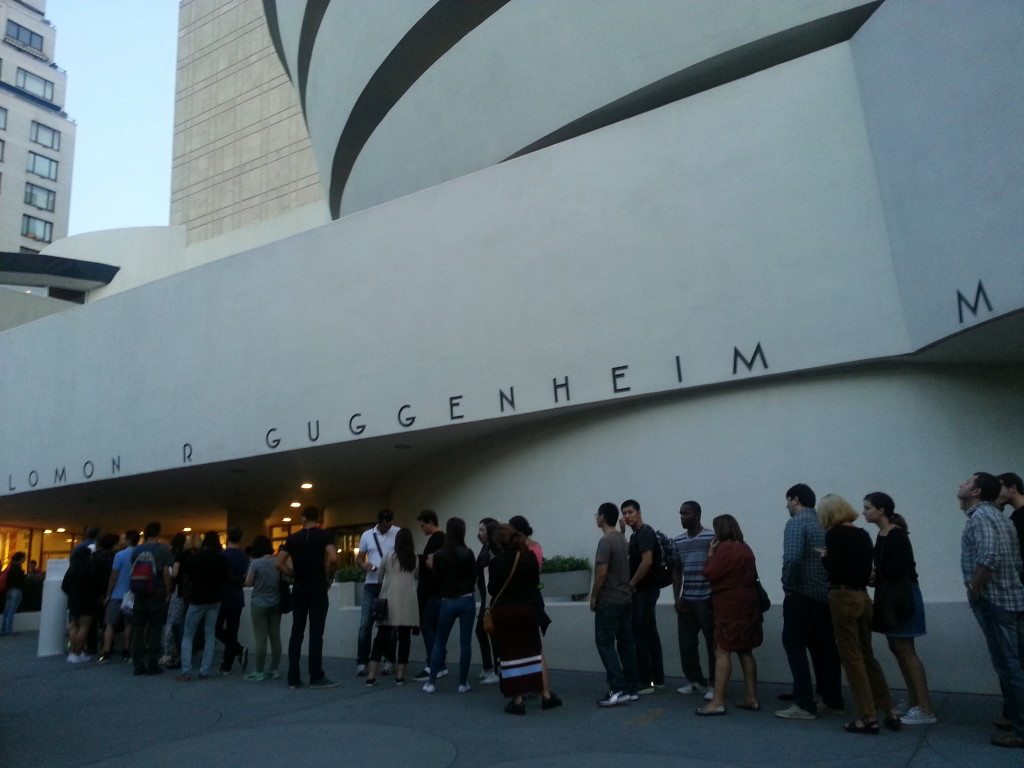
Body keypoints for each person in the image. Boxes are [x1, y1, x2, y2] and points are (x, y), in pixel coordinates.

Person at [818, 494, 898, 734]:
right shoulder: (863, 534)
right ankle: (889, 711)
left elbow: (837, 570)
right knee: (867, 655)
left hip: (843, 597)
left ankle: (867, 716)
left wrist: (824, 557)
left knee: (851, 659)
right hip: (864, 597)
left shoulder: (833, 535)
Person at [958, 471, 1024, 749]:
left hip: (995, 601)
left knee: (1008, 666)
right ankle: (1016, 719)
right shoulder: (1000, 518)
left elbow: (988, 557)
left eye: (966, 481)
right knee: (1015, 664)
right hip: (1013, 599)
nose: (961, 484)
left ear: (975, 492)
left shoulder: (982, 517)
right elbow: (1017, 562)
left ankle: (1021, 730)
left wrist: (974, 588)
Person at [862, 492, 936, 725]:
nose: (864, 512)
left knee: (905, 650)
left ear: (881, 510)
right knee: (897, 648)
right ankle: (915, 700)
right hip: (890, 597)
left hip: (901, 599)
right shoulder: (885, 534)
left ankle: (924, 707)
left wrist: (876, 575)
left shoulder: (896, 535)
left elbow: (901, 568)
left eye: (868, 507)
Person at [775, 483, 844, 720]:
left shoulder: (797, 523)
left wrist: (788, 585)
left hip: (802, 596)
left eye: (787, 501)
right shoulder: (824, 524)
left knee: (794, 645)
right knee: (825, 650)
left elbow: (792, 559)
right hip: (824, 596)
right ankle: (832, 700)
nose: (786, 506)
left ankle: (804, 704)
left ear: (795, 499)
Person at [488, 524, 561, 714]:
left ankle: (518, 700)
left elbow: (492, 589)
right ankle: (546, 695)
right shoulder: (528, 557)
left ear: (499, 543)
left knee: (510, 655)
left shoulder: (496, 562)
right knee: (535, 653)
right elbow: (536, 584)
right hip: (527, 610)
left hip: (505, 612)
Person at [697, 514, 762, 716]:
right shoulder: (745, 548)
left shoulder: (723, 549)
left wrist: (709, 554)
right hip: (749, 603)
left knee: (723, 650)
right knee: (745, 650)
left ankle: (717, 701)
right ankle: (751, 697)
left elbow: (710, 573)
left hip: (729, 603)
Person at [277, 505, 339, 688]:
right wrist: (330, 576)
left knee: (297, 633)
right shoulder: (324, 535)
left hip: (299, 590)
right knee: (316, 634)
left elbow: (279, 562)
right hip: (318, 589)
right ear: (317, 518)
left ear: (303, 518)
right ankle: (316, 675)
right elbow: (334, 558)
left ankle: (293, 677)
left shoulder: (293, 538)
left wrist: (293, 574)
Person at [590, 502, 638, 707]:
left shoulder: (605, 541)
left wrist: (593, 597)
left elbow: (601, 572)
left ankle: (618, 687)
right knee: (626, 643)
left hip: (609, 600)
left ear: (602, 517)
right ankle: (631, 688)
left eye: (597, 514)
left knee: (605, 642)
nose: (596, 518)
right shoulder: (621, 538)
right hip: (625, 599)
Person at [423, 517, 477, 694]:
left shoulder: (439, 555)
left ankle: (431, 682)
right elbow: (473, 577)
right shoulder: (468, 553)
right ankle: (462, 683)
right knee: (465, 643)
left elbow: (436, 579)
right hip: (466, 599)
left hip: (447, 600)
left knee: (439, 641)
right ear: (462, 532)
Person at [620, 499, 665, 693]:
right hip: (646, 590)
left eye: (630, 512)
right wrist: (622, 533)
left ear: (639, 512)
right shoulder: (636, 535)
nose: (627, 516)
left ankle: (647, 682)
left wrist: (631, 584)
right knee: (649, 633)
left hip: (645, 591)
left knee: (641, 634)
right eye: (625, 513)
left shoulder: (645, 532)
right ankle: (658, 680)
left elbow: (647, 562)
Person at [672, 500, 716, 697]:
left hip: (707, 599)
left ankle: (715, 685)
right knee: (686, 643)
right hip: (687, 599)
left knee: (712, 643)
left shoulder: (711, 537)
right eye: (680, 513)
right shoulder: (678, 541)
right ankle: (695, 680)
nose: (682, 517)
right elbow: (676, 570)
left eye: (686, 513)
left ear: (697, 515)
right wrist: (677, 597)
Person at [366, 527, 419, 686]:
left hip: (389, 602)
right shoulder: (414, 558)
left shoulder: (388, 557)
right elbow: (416, 575)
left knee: (380, 638)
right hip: (407, 603)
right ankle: (400, 676)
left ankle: (371, 675)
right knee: (404, 639)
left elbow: (380, 576)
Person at [177, 531, 228, 681]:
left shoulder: (193, 559)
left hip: (197, 600)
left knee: (188, 635)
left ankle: (186, 671)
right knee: (210, 634)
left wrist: (187, 598)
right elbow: (226, 579)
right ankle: (204, 670)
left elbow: (185, 581)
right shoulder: (221, 560)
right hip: (214, 601)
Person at [355, 509, 399, 676]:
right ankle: (362, 661)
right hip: (371, 583)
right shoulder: (367, 535)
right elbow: (360, 557)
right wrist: (364, 565)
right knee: (365, 624)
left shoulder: (398, 532)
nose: (387, 528)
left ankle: (389, 659)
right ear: (379, 522)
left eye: (389, 525)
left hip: (390, 583)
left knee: (390, 624)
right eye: (385, 525)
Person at [130, 521, 174, 676]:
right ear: (159, 533)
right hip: (157, 593)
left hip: (139, 593)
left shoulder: (137, 550)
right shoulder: (164, 549)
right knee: (155, 629)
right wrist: (168, 591)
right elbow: (166, 573)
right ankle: (152, 664)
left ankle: (137, 664)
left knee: (139, 629)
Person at [413, 509, 447, 681]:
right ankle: (440, 663)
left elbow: (431, 562)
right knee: (434, 626)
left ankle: (433, 664)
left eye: (422, 525)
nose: (422, 529)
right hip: (440, 589)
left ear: (429, 522)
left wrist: (421, 559)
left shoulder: (436, 539)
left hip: (432, 590)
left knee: (426, 623)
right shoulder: (445, 539)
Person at [244, 534, 282, 681]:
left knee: (261, 638)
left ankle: (259, 671)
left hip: (259, 603)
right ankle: (274, 669)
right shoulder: (278, 561)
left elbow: (248, 583)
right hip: (276, 602)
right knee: (275, 636)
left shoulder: (256, 563)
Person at [99, 529, 139, 662]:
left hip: (117, 594)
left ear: (128, 540)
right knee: (129, 624)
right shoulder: (139, 554)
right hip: (131, 594)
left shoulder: (119, 555)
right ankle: (126, 651)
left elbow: (113, 576)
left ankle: (106, 652)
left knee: (110, 624)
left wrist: (108, 593)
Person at [216, 526, 248, 674]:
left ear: (227, 539)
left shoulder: (222, 556)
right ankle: (227, 663)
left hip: (222, 596)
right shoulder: (244, 557)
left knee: (217, 628)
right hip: (237, 597)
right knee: (232, 630)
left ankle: (238, 649)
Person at [474, 518, 499, 685]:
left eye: (483, 530)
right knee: (482, 631)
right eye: (479, 530)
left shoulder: (493, 550)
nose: (480, 533)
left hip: (490, 598)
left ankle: (495, 669)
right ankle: (490, 667)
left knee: (489, 632)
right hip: (485, 596)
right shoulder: (485, 548)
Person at [63, 541, 98, 663]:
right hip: (87, 600)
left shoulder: (71, 569)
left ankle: (72, 653)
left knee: (74, 626)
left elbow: (64, 585)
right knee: (84, 627)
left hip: (74, 600)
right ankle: (79, 651)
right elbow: (96, 586)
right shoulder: (91, 569)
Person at [1, 552, 27, 636]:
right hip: (16, 590)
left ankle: (4, 629)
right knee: (11, 611)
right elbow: (21, 580)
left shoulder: (10, 567)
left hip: (9, 591)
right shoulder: (17, 568)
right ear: (21, 558)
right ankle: (8, 630)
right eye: (24, 557)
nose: (25, 559)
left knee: (7, 611)